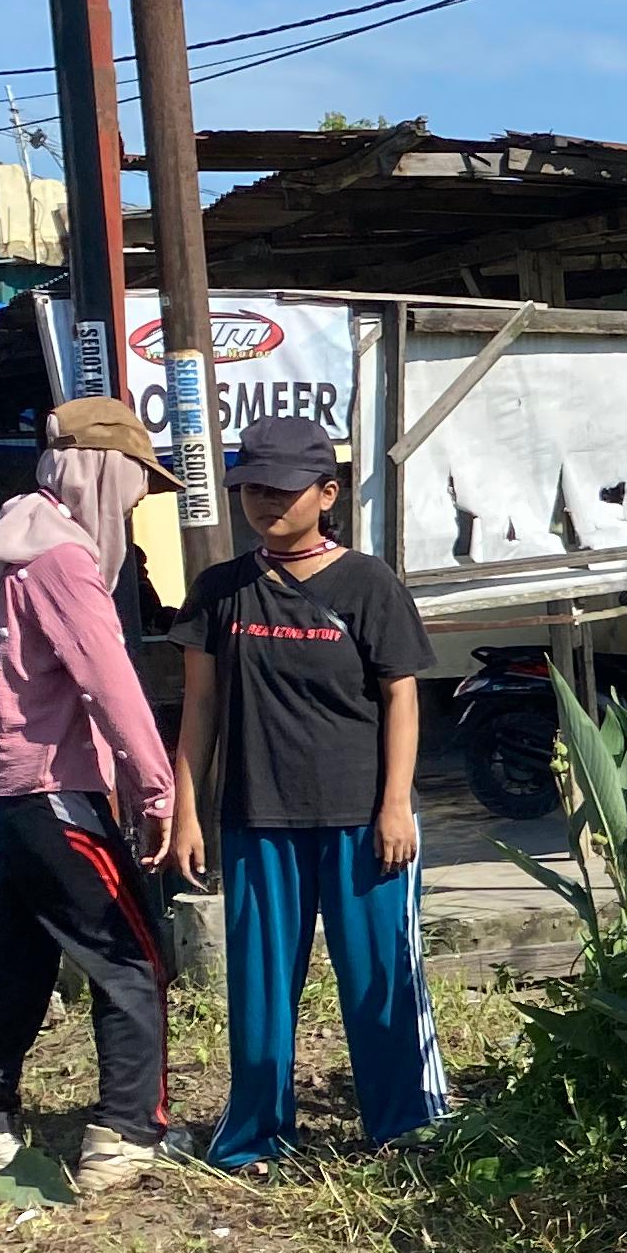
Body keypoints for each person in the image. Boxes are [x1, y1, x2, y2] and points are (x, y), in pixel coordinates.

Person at [170, 413, 445, 1168]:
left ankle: (407, 1126)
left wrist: (396, 805)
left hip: (363, 818)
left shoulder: (369, 583)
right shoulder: (220, 590)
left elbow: (402, 697)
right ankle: (255, 1136)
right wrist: (187, 809)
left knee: (381, 978)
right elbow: (200, 707)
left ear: (327, 493)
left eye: (284, 489)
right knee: (259, 988)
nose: (266, 502)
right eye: (253, 488)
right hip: (256, 816)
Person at [0, 397, 180, 1188]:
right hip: (56, 791)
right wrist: (156, 789)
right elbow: (108, 679)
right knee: (134, 958)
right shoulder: (64, 559)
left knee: (13, 960)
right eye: (132, 486)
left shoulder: (7, 543)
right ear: (102, 474)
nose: (131, 505)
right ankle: (125, 1132)